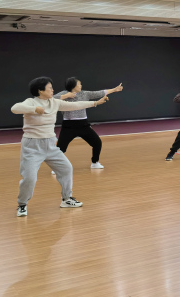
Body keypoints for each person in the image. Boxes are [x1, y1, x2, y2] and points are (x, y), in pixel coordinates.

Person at [11, 76, 109, 217]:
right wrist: (34, 109)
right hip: (32, 146)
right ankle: (22, 204)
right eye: (50, 88)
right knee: (30, 178)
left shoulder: (55, 102)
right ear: (40, 90)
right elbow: (15, 108)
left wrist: (95, 103)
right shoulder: (31, 102)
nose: (53, 90)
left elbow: (76, 105)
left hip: (51, 145)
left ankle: (67, 199)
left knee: (66, 168)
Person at [54, 78, 123, 169]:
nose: (81, 85)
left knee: (97, 142)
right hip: (68, 126)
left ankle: (95, 162)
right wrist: (65, 96)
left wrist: (114, 89)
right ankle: (57, 168)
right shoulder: (64, 93)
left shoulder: (84, 93)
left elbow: (99, 93)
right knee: (60, 148)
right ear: (73, 86)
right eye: (79, 84)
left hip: (83, 125)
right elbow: (51, 99)